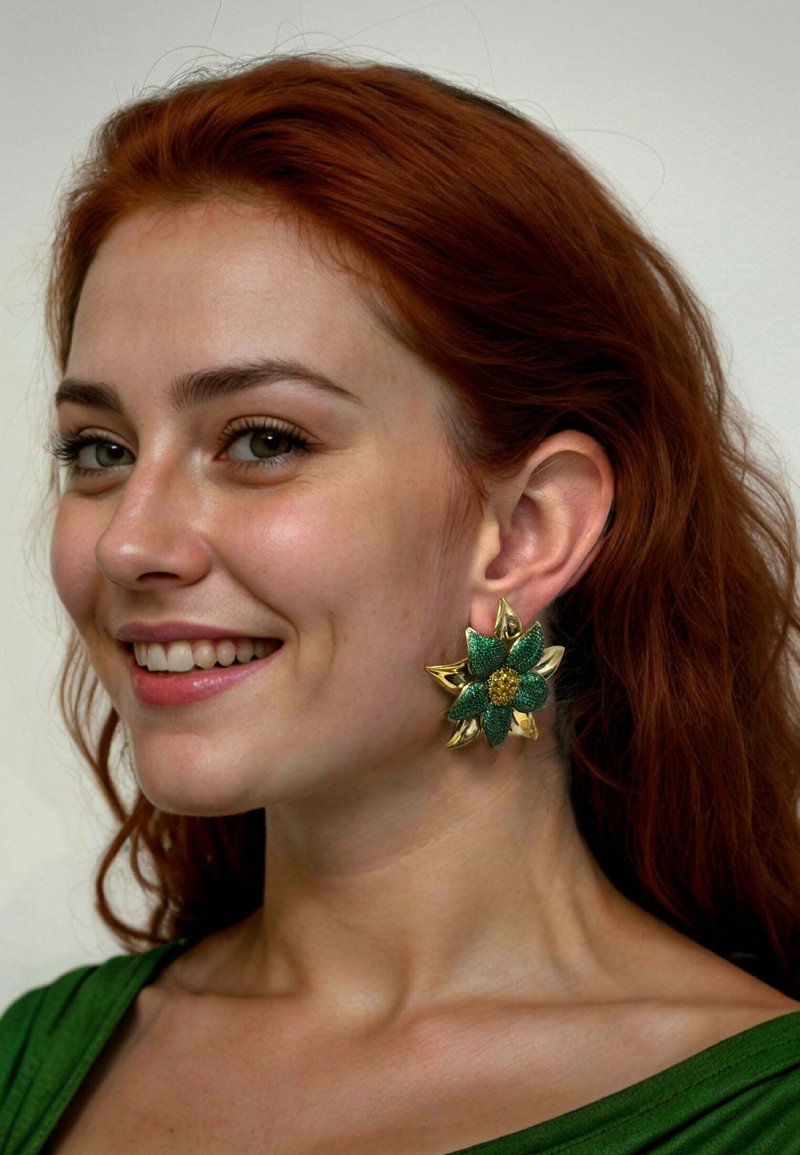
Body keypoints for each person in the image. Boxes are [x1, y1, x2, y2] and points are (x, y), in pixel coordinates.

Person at [1, 53, 799, 1155]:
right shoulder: (29, 1063)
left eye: (262, 441)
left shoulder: (764, 1117)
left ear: (527, 531)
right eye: (99, 449)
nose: (129, 541)